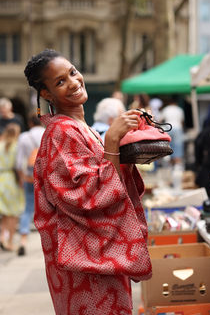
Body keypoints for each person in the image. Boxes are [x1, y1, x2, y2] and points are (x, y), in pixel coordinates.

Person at [24, 49, 152, 315]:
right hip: (85, 266)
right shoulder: (61, 131)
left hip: (99, 257)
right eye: (60, 82)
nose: (73, 82)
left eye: (72, 72)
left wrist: (128, 146)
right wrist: (113, 140)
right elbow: (87, 196)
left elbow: (107, 180)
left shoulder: (81, 128)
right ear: (46, 94)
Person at [16, 111, 45, 256]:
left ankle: (22, 240)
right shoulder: (47, 133)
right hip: (45, 178)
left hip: (29, 176)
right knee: (47, 209)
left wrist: (21, 178)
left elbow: (19, 161)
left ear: (30, 123)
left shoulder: (23, 137)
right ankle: (49, 242)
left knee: (28, 208)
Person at [0, 123, 24, 251]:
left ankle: (2, 237)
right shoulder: (16, 147)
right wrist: (22, 181)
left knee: (4, 213)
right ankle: (9, 241)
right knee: (13, 213)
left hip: (1, 179)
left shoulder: (0, 146)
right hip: (11, 181)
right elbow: (19, 166)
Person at [160, 96, 185, 166]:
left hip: (168, 128)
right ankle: (177, 168)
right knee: (178, 148)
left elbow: (160, 120)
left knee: (167, 148)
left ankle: (169, 166)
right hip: (178, 128)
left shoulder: (166, 109)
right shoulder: (179, 109)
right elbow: (182, 122)